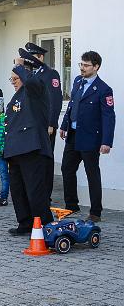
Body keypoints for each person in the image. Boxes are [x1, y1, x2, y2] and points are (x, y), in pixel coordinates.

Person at [60, 51, 115, 223]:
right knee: (66, 169)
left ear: (96, 67)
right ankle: (71, 205)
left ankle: (95, 212)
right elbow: (71, 105)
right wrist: (64, 125)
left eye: (86, 65)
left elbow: (108, 117)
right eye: (81, 64)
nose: (82, 68)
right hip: (73, 135)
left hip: (90, 138)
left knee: (92, 174)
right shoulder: (77, 81)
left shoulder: (104, 89)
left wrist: (106, 142)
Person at [3, 50, 54, 235]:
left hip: (32, 149)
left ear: (26, 74)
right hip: (15, 150)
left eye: (16, 77)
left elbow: (31, 81)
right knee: (18, 191)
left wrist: (20, 65)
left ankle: (44, 226)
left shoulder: (36, 88)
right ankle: (24, 223)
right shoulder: (16, 97)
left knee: (35, 191)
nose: (14, 82)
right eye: (12, 79)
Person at [25, 42, 64, 202]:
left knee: (45, 159)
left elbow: (55, 100)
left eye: (32, 56)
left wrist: (51, 123)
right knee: (34, 159)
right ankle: (36, 192)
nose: (29, 60)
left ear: (40, 57)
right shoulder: (31, 74)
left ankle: (45, 195)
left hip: (45, 125)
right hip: (33, 124)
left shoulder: (50, 74)